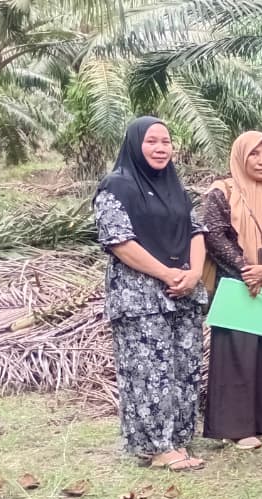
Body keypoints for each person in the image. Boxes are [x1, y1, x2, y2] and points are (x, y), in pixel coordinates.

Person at [94, 116, 207, 471]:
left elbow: (196, 231)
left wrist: (194, 273)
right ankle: (157, 447)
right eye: (152, 141)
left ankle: (178, 439)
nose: (160, 148)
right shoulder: (116, 187)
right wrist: (166, 273)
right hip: (140, 297)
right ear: (134, 144)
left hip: (183, 293)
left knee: (183, 368)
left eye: (166, 142)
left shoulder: (176, 189)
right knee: (148, 371)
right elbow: (119, 242)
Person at [201, 131, 262, 449]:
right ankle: (236, 427)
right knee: (236, 356)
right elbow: (214, 236)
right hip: (235, 284)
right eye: (254, 154)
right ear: (241, 157)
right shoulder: (222, 192)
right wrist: (246, 269)